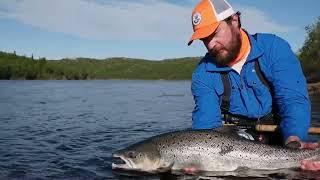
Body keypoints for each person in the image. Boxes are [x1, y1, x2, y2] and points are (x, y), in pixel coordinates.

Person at [188, 0, 320, 170]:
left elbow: (293, 101)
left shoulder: (274, 48)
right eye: (204, 39)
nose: (210, 45)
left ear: (234, 20)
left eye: (213, 33)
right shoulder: (202, 74)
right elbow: (206, 126)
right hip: (231, 149)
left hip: (282, 141)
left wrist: (294, 140)